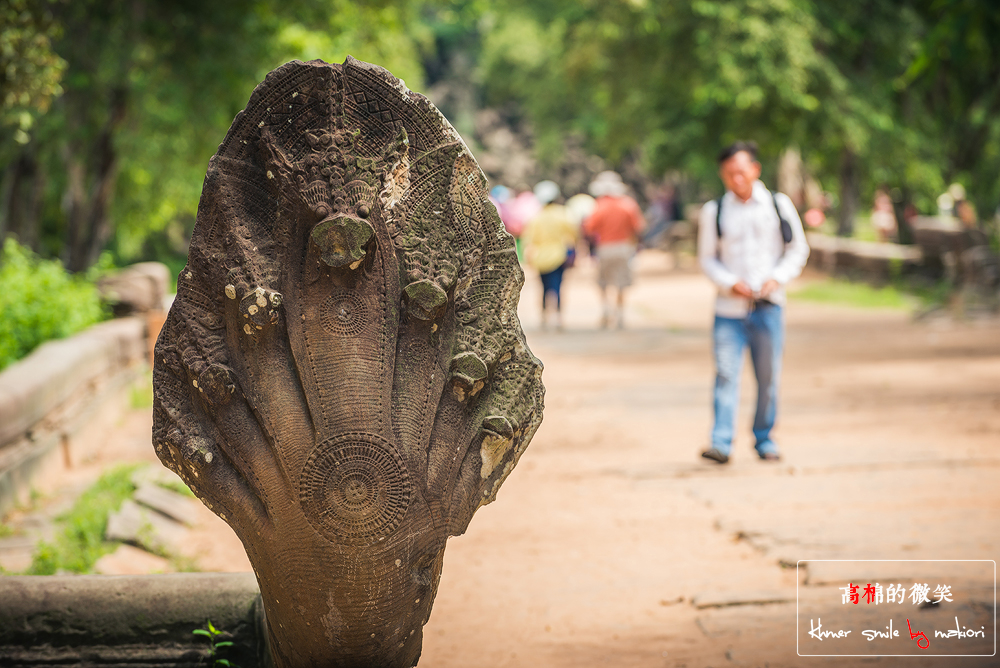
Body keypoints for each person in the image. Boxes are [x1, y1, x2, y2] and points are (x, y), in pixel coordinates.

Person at [698, 141, 809, 464]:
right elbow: (707, 259)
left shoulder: (778, 205)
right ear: (723, 175)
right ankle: (721, 442)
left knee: (769, 377)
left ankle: (764, 438)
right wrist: (730, 283)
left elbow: (797, 249)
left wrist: (778, 278)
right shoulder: (715, 211)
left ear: (755, 170)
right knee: (726, 374)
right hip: (729, 310)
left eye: (742, 172)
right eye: (730, 174)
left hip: (769, 306)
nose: (737, 179)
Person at [583, 171, 645, 329]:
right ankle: (620, 314)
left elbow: (589, 228)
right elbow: (638, 227)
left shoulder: (599, 206)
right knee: (621, 283)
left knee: (603, 282)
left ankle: (606, 311)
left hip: (605, 247)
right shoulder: (628, 204)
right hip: (624, 247)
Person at [522, 180, 578, 330]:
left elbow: (529, 240)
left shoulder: (536, 217)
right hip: (559, 256)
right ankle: (559, 318)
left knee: (544, 287)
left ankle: (544, 317)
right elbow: (574, 233)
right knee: (558, 286)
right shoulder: (563, 214)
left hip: (541, 258)